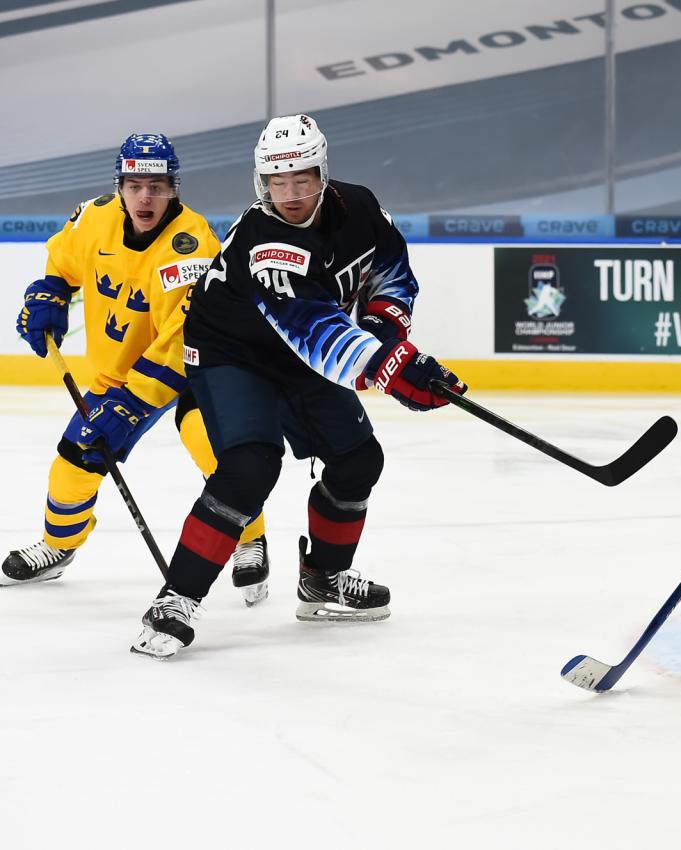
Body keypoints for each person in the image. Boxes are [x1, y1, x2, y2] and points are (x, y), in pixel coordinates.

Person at [130, 114, 465, 659]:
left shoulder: (359, 207)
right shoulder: (268, 242)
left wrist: (386, 333)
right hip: (231, 355)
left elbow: (392, 273)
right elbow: (315, 333)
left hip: (296, 355)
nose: (288, 194)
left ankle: (323, 580)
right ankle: (176, 598)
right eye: (276, 181)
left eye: (301, 180)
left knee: (358, 461)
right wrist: (391, 366)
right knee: (250, 465)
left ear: (323, 174)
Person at [8, 133, 270, 601]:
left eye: (156, 185)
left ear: (174, 188)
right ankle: (58, 546)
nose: (145, 196)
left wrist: (130, 405)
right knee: (73, 462)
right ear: (120, 185)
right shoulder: (95, 217)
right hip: (118, 373)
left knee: (217, 450)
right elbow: (62, 262)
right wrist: (49, 292)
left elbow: (178, 341)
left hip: (200, 367)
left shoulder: (191, 247)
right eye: (134, 185)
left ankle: (251, 539)